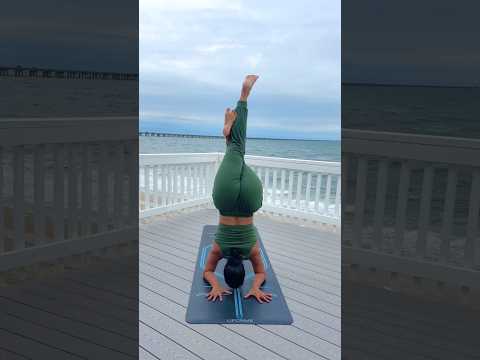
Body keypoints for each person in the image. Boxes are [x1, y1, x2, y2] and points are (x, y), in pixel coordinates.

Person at [202, 75, 272, 304]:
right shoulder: (218, 249)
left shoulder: (252, 250)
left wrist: (255, 288)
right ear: (226, 268)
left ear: (244, 268)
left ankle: (243, 99)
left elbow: (261, 274)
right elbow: (208, 273)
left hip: (249, 201)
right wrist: (216, 284)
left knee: (238, 150)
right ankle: (231, 128)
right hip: (224, 199)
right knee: (235, 150)